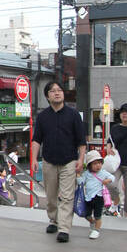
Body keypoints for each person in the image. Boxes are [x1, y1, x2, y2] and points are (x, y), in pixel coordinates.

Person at [30, 81, 87, 243]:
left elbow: (81, 141)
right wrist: (34, 159)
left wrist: (81, 159)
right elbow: (36, 140)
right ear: (47, 96)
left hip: (69, 161)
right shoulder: (43, 117)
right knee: (51, 196)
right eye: (53, 91)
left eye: (59, 90)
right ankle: (53, 220)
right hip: (49, 161)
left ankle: (64, 229)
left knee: (67, 197)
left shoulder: (73, 115)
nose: (57, 93)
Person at [73, 153, 112, 239]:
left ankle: (96, 230)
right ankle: (93, 222)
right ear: (89, 165)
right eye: (95, 164)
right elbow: (81, 182)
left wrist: (107, 180)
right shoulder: (87, 174)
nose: (98, 165)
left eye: (99, 163)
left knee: (98, 215)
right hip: (88, 198)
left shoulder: (103, 173)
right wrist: (78, 175)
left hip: (99, 197)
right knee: (87, 215)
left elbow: (112, 177)